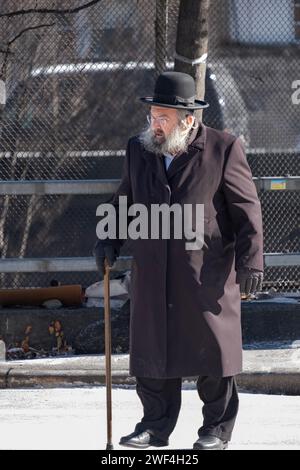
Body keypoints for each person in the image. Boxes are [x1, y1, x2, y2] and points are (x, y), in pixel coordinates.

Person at [94, 71, 264, 450]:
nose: (155, 124)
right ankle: (154, 426)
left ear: (188, 119)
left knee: (212, 354)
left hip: (206, 274)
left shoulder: (223, 149)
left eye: (163, 117)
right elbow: (126, 198)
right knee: (154, 350)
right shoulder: (139, 150)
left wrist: (252, 261)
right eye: (153, 116)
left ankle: (215, 430)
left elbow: (246, 209)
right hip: (154, 272)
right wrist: (108, 238)